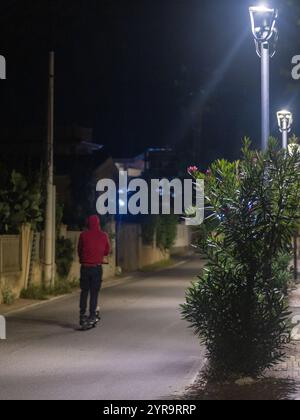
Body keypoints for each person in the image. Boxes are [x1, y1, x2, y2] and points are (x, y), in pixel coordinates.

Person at [78, 215, 111, 326]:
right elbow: (107, 250)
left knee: (84, 291)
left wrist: (83, 258)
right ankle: (92, 315)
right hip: (96, 267)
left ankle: (82, 315)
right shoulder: (104, 235)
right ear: (98, 223)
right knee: (94, 292)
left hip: (85, 267)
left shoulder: (83, 235)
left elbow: (79, 249)